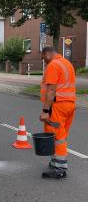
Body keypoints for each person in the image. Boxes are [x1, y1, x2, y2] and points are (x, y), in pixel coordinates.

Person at [40, 46, 76, 179]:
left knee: (57, 137)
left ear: (47, 54)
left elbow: (51, 90)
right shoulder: (67, 63)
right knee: (62, 135)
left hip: (58, 106)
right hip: (69, 105)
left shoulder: (53, 65)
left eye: (43, 57)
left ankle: (59, 168)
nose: (43, 60)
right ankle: (56, 162)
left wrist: (45, 111)